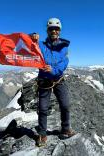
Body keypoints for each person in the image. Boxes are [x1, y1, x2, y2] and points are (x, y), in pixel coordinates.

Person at [30, 18, 76, 147]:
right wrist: (32, 36)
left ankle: (66, 128)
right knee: (43, 108)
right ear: (48, 31)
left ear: (59, 31)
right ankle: (42, 133)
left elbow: (64, 62)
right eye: (51, 29)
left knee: (65, 105)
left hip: (59, 79)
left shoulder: (64, 46)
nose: (54, 31)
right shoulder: (41, 46)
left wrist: (54, 70)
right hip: (44, 80)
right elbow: (30, 45)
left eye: (56, 29)